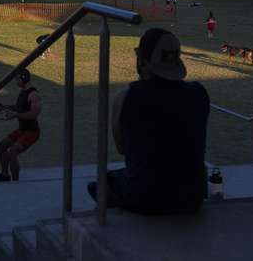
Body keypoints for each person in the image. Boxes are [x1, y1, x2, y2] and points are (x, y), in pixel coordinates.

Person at [87, 28, 209, 214]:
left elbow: (122, 148)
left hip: (145, 196)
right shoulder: (199, 93)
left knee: (101, 184)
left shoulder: (126, 96)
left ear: (143, 61)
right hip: (192, 196)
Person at [0, 69, 42, 183]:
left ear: (23, 78)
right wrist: (6, 107)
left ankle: (15, 182)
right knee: (2, 145)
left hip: (32, 132)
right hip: (23, 130)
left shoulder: (33, 95)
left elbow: (34, 114)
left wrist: (15, 115)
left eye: (17, 79)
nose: (16, 81)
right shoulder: (23, 91)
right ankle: (4, 174)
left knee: (12, 152)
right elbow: (20, 107)